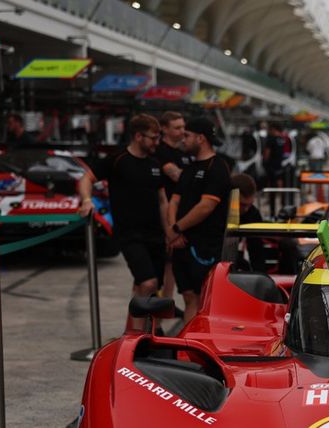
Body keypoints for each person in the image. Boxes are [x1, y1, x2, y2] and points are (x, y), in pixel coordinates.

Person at [77, 114, 167, 329]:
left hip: (155, 235)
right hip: (130, 235)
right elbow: (85, 179)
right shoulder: (117, 160)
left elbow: (163, 201)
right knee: (148, 283)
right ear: (138, 136)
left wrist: (170, 233)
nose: (156, 142)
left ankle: (134, 333)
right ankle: (136, 336)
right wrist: (87, 201)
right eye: (153, 138)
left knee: (146, 288)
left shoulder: (155, 164)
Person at [167, 116, 233, 323]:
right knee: (188, 297)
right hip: (181, 244)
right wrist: (172, 231)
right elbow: (174, 201)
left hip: (204, 247)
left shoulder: (218, 168)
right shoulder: (189, 169)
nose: (182, 139)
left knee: (203, 298)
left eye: (187, 135)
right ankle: (186, 349)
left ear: (200, 138)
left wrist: (177, 228)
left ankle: (198, 347)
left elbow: (206, 207)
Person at [155, 111, 190, 307]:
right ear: (165, 129)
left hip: (181, 215)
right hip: (166, 213)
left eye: (183, 127)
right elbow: (176, 176)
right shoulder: (161, 152)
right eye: (177, 128)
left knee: (172, 263)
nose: (181, 131)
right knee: (163, 261)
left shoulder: (184, 153)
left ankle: (167, 303)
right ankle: (157, 304)